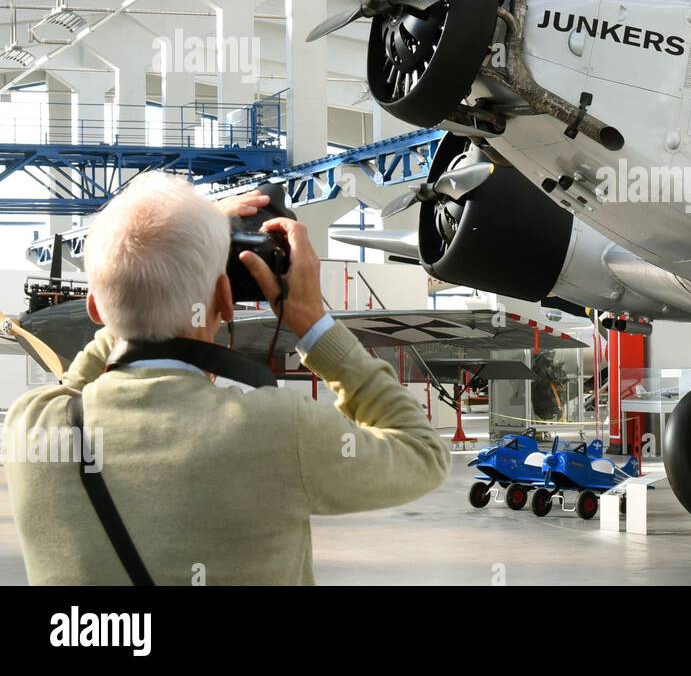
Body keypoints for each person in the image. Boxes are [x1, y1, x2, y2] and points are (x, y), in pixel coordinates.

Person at [2, 172, 450, 585]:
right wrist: (314, 323)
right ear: (225, 297)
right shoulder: (278, 429)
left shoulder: (31, 427)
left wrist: (160, 253)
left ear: (97, 309)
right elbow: (424, 453)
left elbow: (77, 385)